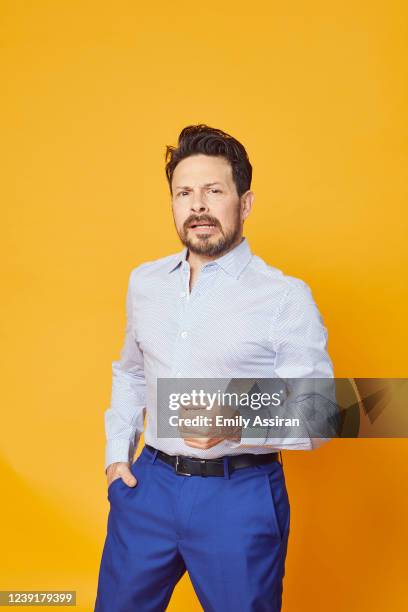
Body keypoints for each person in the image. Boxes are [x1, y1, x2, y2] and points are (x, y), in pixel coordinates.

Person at [94, 124, 334, 612]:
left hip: (239, 496)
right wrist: (117, 457)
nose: (197, 205)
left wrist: (230, 420)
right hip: (149, 488)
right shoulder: (145, 283)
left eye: (213, 191)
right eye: (184, 193)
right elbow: (131, 372)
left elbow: (325, 412)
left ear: (244, 203)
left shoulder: (284, 297)